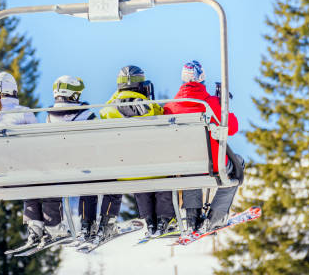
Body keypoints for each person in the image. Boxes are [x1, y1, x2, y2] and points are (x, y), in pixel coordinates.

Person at [0, 72, 67, 246]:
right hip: (25, 173)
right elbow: (40, 143)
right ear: (13, 90)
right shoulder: (24, 113)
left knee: (28, 178)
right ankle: (53, 227)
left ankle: (34, 228)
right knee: (44, 176)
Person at [163, 60, 244, 232]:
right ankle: (216, 216)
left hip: (183, 164)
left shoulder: (170, 108)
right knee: (237, 164)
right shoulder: (211, 103)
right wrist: (223, 105)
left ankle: (192, 219)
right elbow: (233, 127)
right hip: (212, 164)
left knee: (191, 166)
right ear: (201, 79)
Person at [100, 65, 176, 237]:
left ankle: (149, 220)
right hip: (156, 171)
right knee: (160, 170)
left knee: (137, 168)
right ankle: (165, 219)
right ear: (141, 85)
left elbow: (105, 112)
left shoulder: (107, 112)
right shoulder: (152, 108)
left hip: (124, 172)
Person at [45, 75, 99, 243]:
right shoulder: (87, 116)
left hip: (57, 172)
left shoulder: (48, 118)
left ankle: (53, 225)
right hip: (84, 170)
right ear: (74, 95)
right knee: (90, 184)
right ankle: (87, 224)